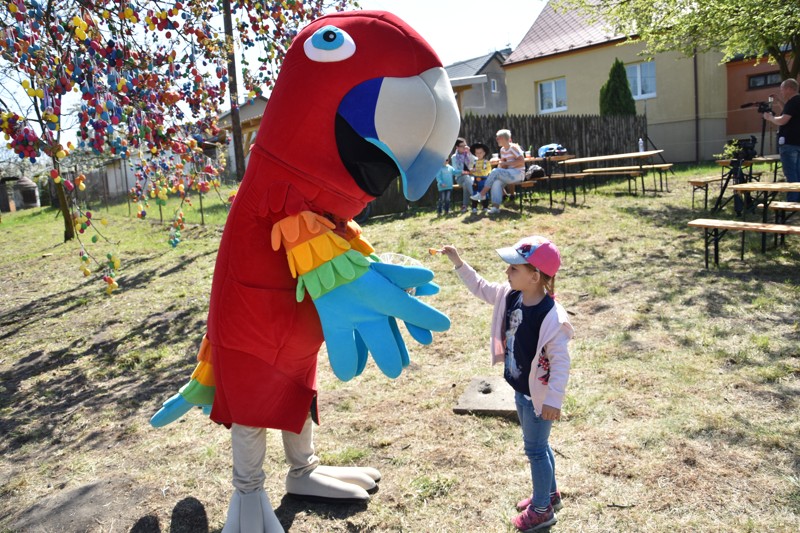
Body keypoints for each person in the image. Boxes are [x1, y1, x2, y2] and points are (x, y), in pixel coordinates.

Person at [440, 236, 574, 532]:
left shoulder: (551, 317)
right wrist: (459, 264)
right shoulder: (511, 295)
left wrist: (554, 400)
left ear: (535, 276)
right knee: (539, 445)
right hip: (521, 390)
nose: (506, 273)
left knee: (535, 449)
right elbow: (482, 287)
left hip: (539, 398)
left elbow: (561, 364)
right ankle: (550, 495)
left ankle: (542, 511)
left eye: (513, 268)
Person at [470, 129, 526, 214]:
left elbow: (521, 161)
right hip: (509, 174)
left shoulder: (514, 147)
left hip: (518, 174)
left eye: (497, 138)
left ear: (502, 138)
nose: (496, 140)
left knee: (495, 171)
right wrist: (499, 163)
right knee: (496, 182)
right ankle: (496, 207)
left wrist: (504, 163)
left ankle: (482, 194)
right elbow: (505, 165)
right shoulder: (502, 150)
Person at [763, 78, 800, 202]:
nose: (781, 91)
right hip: (797, 143)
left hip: (789, 143)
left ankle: (792, 203)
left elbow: (783, 119)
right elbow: (788, 112)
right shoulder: (796, 102)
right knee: (798, 173)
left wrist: (770, 118)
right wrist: (778, 100)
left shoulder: (793, 102)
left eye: (782, 89)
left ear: (789, 88)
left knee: (791, 174)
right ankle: (797, 200)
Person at [451, 137, 477, 212]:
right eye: (462, 146)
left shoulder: (468, 154)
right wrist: (462, 172)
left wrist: (469, 153)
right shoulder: (454, 157)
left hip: (471, 177)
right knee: (466, 177)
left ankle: (465, 205)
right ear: (457, 147)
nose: (464, 148)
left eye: (465, 146)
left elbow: (476, 160)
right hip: (460, 178)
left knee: (466, 184)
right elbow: (454, 171)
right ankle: (474, 196)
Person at [469, 142, 492, 214]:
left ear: (484, 153)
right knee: (475, 193)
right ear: (475, 154)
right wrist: (472, 170)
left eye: (480, 152)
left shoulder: (486, 162)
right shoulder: (474, 162)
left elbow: (488, 171)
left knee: (485, 193)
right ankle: (474, 207)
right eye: (477, 153)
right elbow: (471, 170)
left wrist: (480, 171)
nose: (479, 154)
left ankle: (485, 207)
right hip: (476, 180)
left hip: (484, 180)